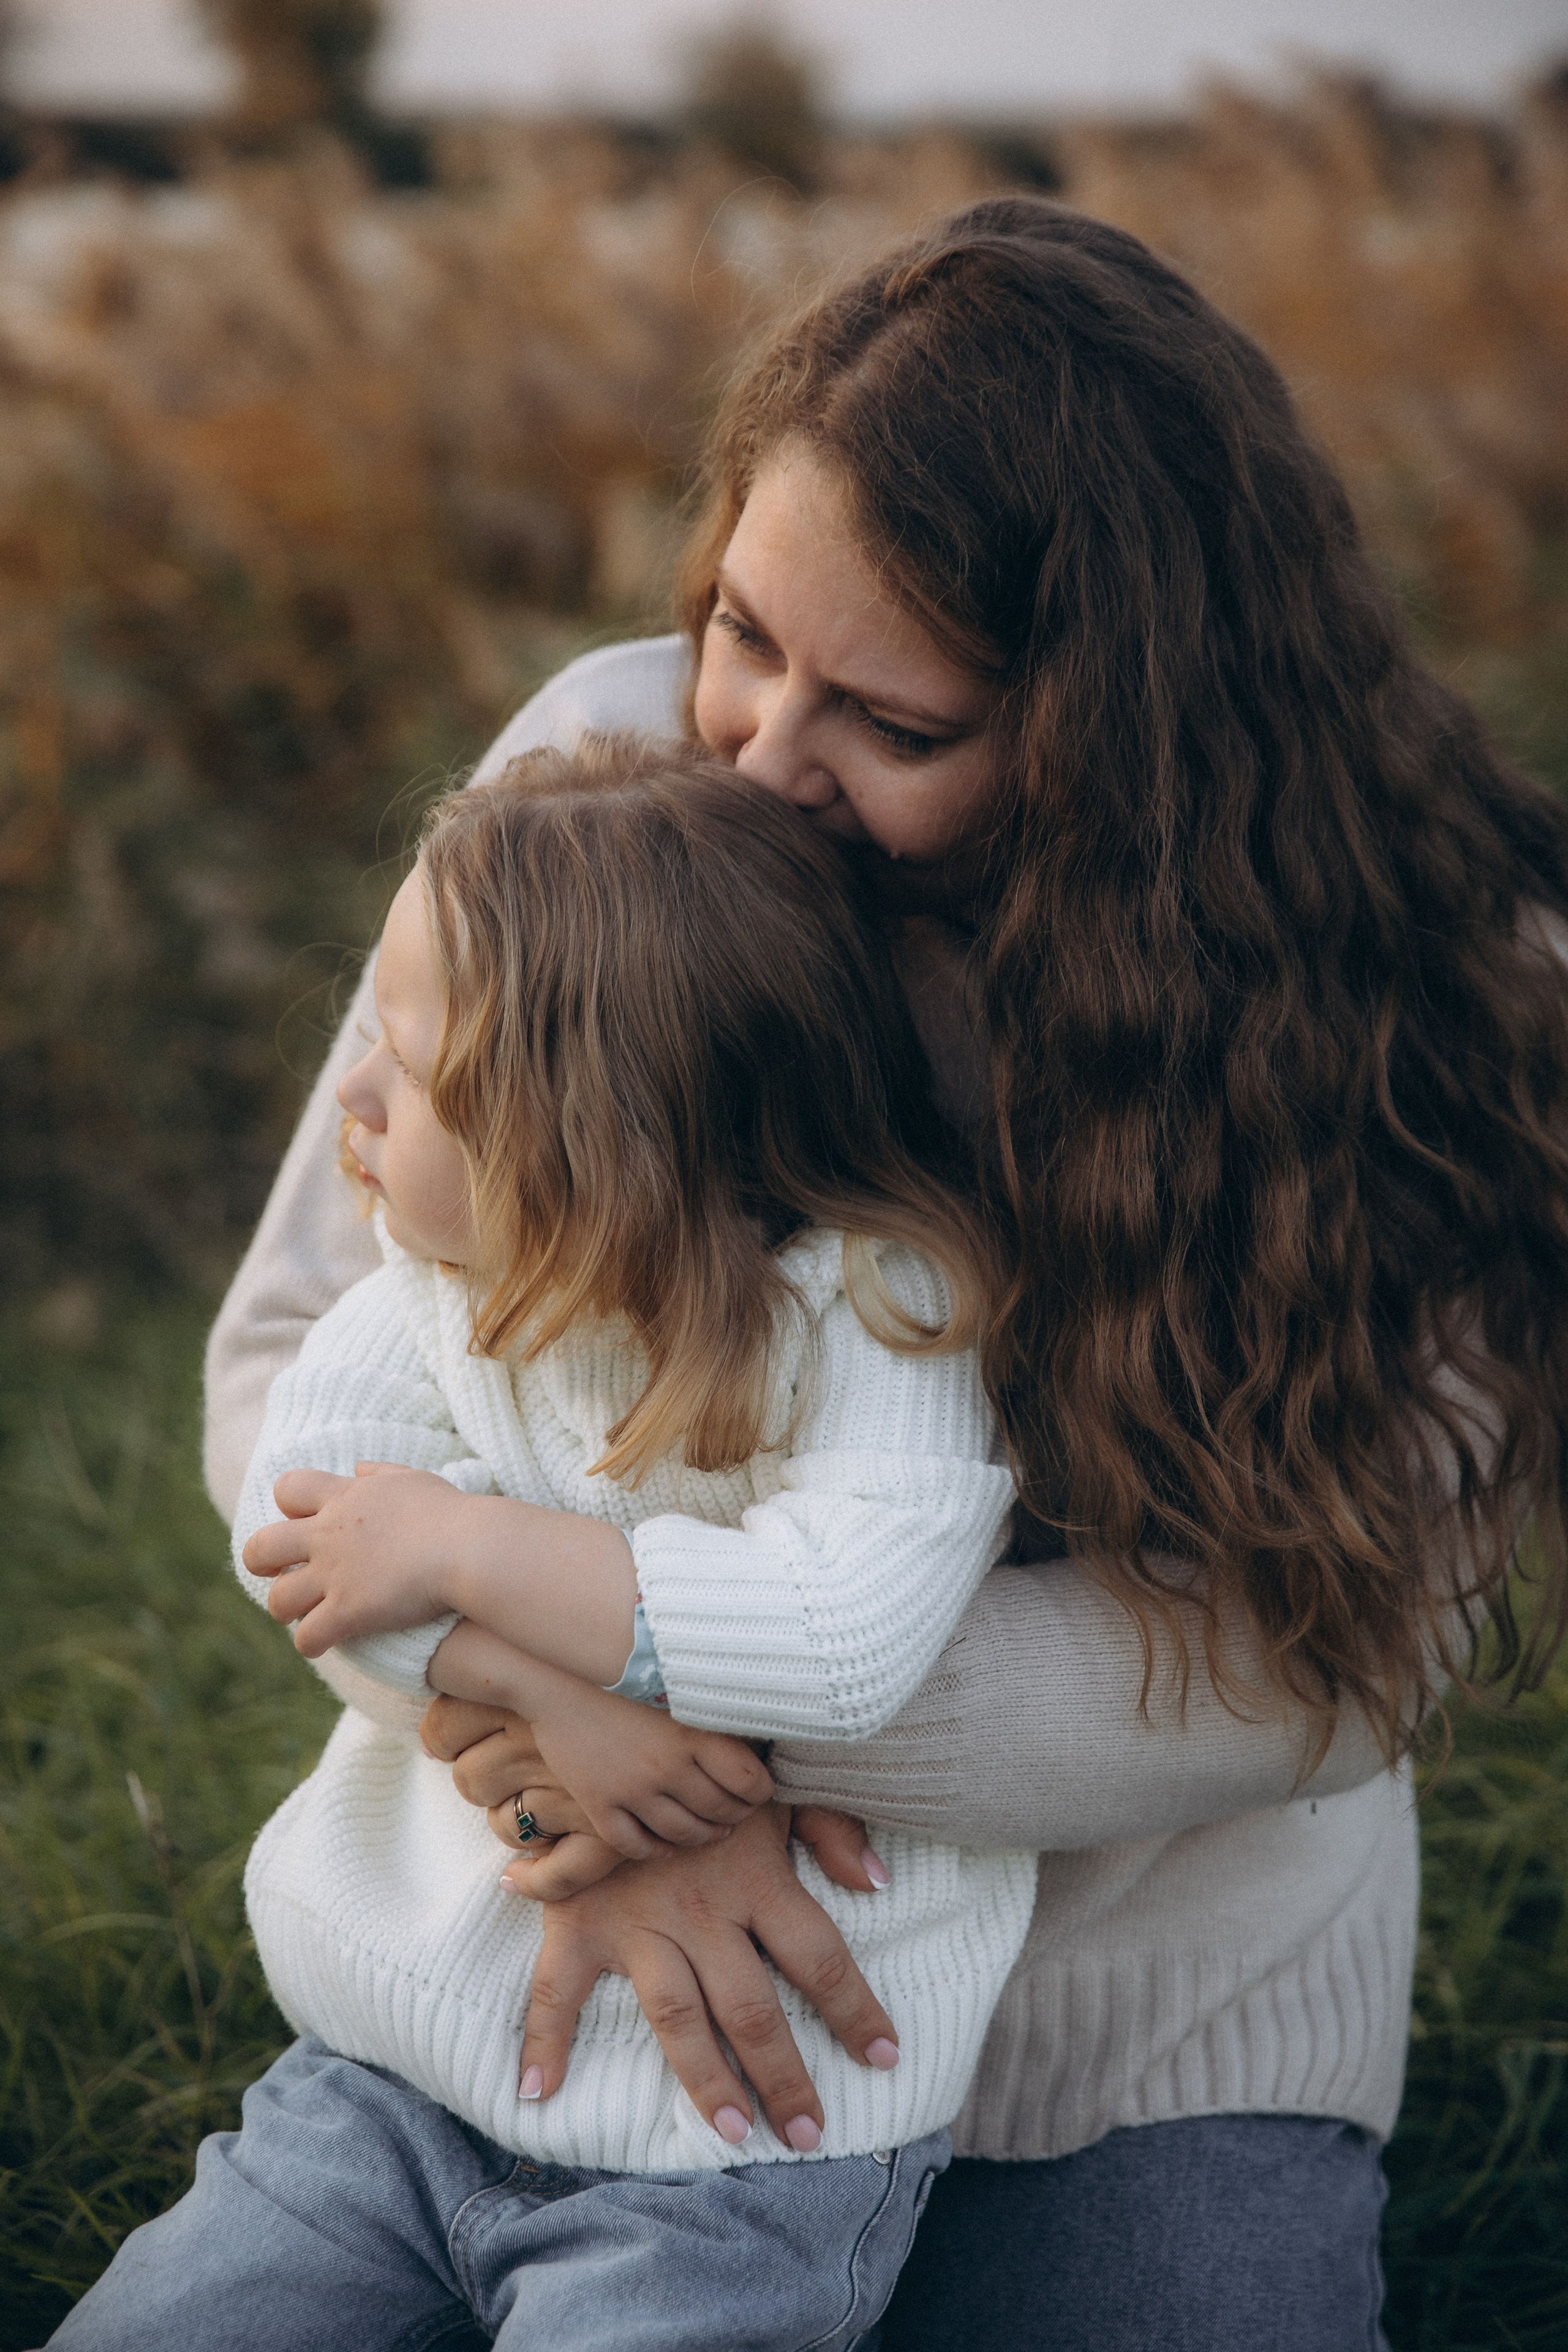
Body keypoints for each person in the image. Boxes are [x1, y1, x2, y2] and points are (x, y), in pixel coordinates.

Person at [197, 198, 1568, 2350]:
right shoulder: (611, 793)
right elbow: (307, 1351)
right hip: (572, 1941)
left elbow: (1336, 1653)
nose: (751, 757)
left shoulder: (1436, 990)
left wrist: (659, 1701)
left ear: (1129, 732)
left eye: (895, 723)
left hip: (1137, 2029)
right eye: (743, 628)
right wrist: (542, 1718)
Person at [54, 742, 1039, 2350]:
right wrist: (548, 1704)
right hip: (392, 2078)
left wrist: (454, 1545)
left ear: (593, 1130)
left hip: (732, 2145)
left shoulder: (876, 1314)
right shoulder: (435, 1280)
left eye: (408, 1057)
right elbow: (296, 1530)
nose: (353, 1093)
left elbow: (845, 1637)